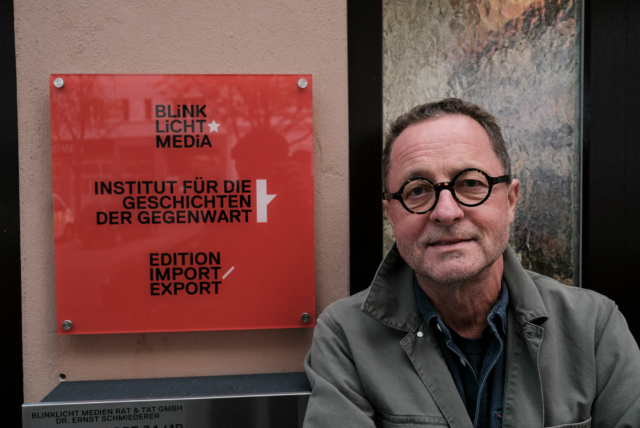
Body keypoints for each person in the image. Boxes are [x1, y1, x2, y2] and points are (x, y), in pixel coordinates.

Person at [303, 98, 640, 428]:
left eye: (470, 183)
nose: (446, 212)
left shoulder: (593, 328)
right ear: (391, 213)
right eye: (417, 190)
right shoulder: (345, 338)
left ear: (510, 200)